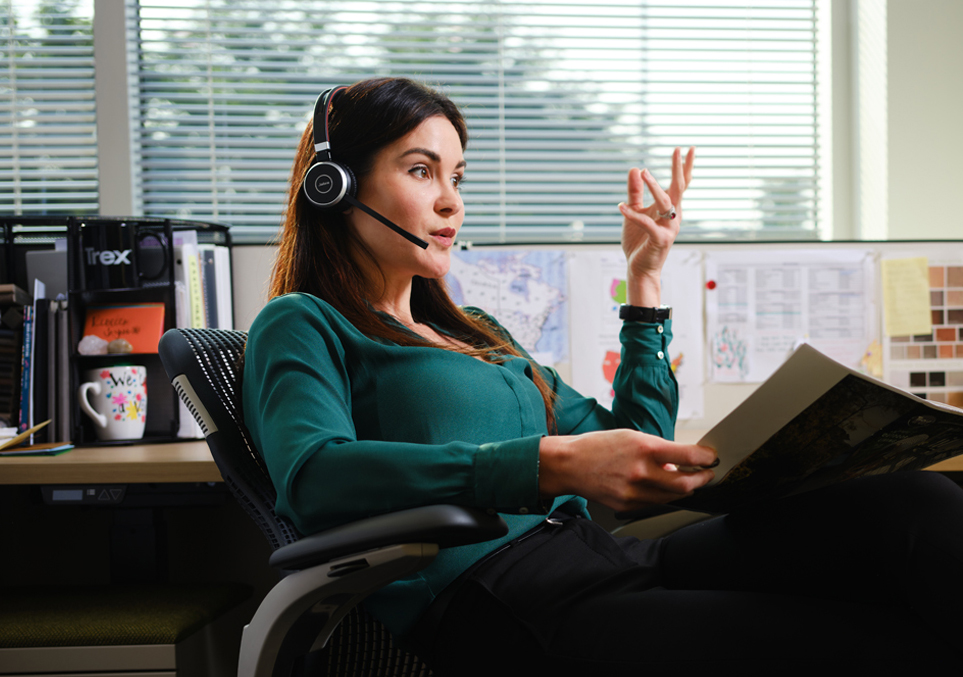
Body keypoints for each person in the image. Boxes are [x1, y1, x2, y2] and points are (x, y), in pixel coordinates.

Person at [243, 77, 963, 675]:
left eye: (456, 176)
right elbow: (313, 477)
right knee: (881, 645)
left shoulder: (478, 332)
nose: (450, 202)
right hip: (506, 601)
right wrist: (545, 462)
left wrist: (643, 279)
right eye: (420, 169)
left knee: (908, 502)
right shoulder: (304, 321)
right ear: (335, 185)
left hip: (611, 557)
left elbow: (636, 441)